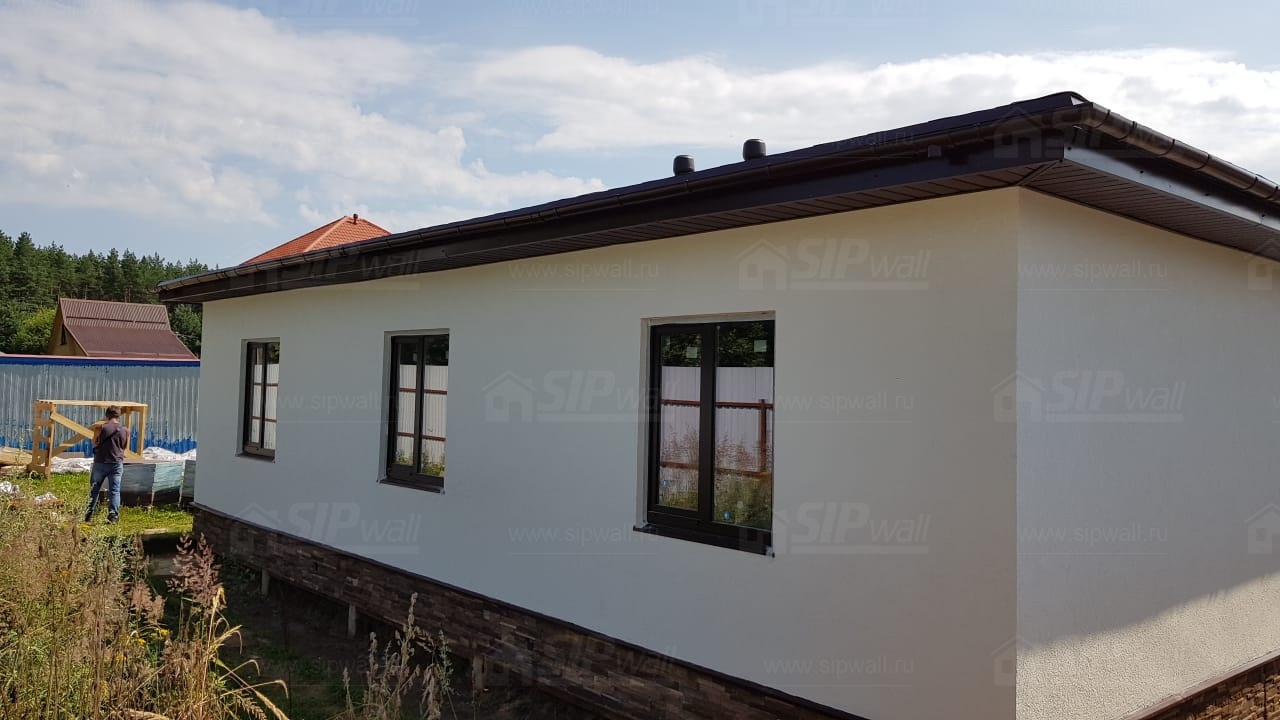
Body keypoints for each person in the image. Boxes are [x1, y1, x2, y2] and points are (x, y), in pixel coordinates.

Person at [85, 406, 129, 524]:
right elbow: (124, 447)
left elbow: (94, 443)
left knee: (94, 489)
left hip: (100, 462)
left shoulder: (100, 428)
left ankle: (89, 514)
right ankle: (113, 516)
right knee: (114, 491)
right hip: (116, 464)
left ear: (107, 415)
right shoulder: (125, 430)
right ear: (118, 416)